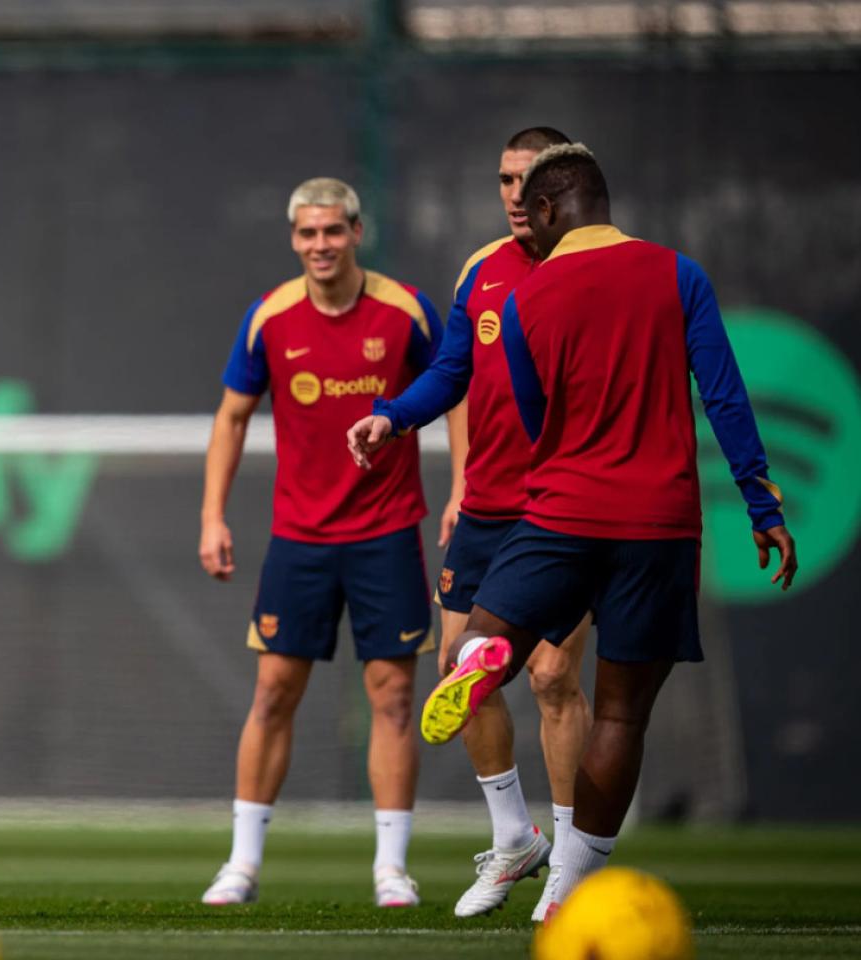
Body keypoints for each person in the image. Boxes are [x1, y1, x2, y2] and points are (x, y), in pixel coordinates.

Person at [415, 144, 795, 918]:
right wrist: (761, 503)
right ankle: (570, 884)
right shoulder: (678, 274)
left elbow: (531, 415)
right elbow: (724, 398)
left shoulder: (525, 300)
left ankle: (494, 646)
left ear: (549, 210)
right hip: (658, 523)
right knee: (619, 712)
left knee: (487, 636)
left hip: (558, 511)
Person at [345, 127, 591, 919]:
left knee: (552, 677)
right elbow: (451, 371)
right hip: (487, 506)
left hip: (566, 508)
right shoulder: (482, 270)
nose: (517, 195)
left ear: (565, 187)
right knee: (463, 671)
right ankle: (515, 839)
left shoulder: (596, 270)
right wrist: (391, 416)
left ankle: (574, 860)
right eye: (504, 180)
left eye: (531, 181)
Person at [197, 177, 443, 909]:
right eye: (307, 234)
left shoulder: (406, 313)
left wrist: (463, 490)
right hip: (299, 537)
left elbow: (454, 391)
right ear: (294, 239)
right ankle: (240, 865)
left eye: (332, 231)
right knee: (274, 692)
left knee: (395, 696)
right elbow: (232, 417)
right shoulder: (269, 318)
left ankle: (391, 868)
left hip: (388, 532)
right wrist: (212, 516)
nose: (320, 246)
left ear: (356, 232)